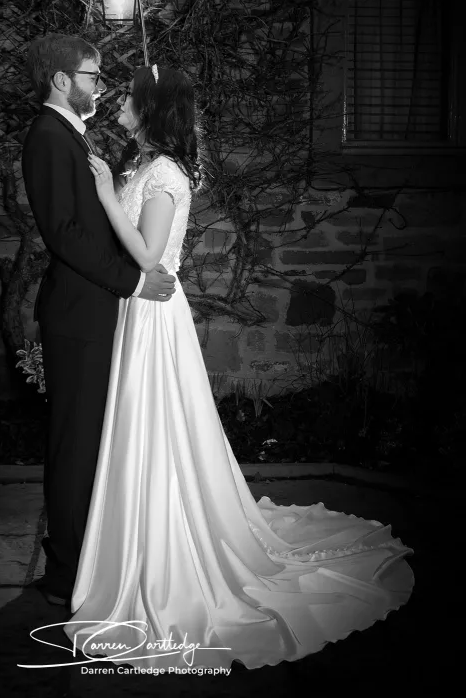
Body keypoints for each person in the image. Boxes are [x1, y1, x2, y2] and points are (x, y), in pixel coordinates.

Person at [63, 62, 415, 671]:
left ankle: (167, 543)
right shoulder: (143, 165)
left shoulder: (167, 172)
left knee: (156, 426)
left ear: (152, 109)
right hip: (132, 312)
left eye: (128, 101)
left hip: (152, 317)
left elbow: (148, 256)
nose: (117, 106)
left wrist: (100, 193)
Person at [21, 34, 177, 608]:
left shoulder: (69, 137)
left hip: (92, 311)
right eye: (92, 76)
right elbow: (65, 235)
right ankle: (64, 572)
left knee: (91, 440)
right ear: (62, 80)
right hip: (78, 315)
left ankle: (87, 556)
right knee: (74, 442)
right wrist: (134, 281)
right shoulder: (47, 137)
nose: (99, 87)